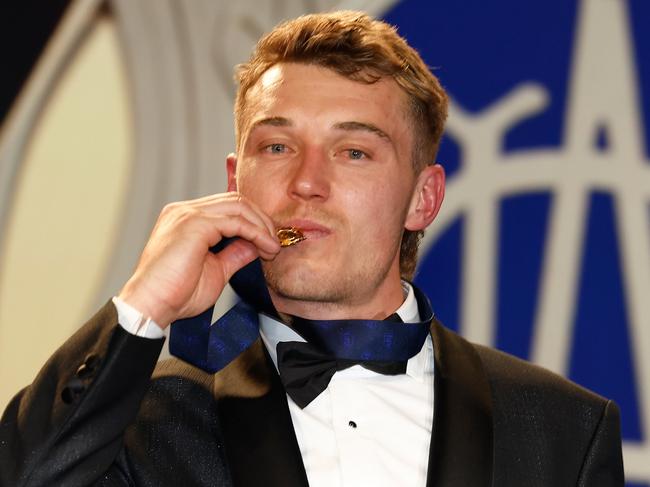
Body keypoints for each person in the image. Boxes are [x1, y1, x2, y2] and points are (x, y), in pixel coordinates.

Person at [0, 10, 623, 487]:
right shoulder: (142, 417)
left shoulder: (563, 428)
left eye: (354, 152)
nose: (305, 181)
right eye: (276, 147)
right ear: (233, 183)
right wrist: (142, 307)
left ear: (423, 200)